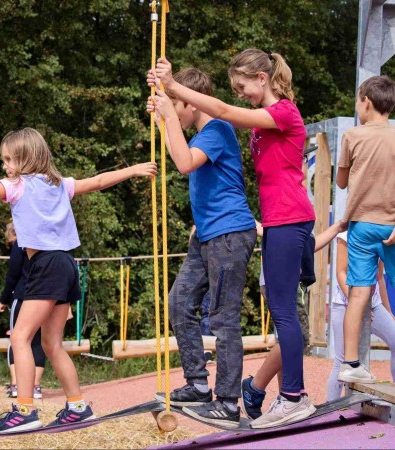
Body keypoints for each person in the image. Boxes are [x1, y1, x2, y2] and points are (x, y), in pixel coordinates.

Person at [0, 127, 156, 433]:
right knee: (52, 344)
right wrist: (133, 169)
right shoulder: (59, 185)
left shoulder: (17, 186)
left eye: (8, 160)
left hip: (45, 264)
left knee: (19, 337)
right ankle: (77, 406)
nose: (5, 166)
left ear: (25, 159)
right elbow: (96, 182)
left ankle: (25, 410)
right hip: (67, 263)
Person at [149, 49, 317, 428]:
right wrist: (165, 111)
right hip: (270, 222)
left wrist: (173, 89)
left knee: (276, 314)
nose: (240, 94)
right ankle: (219, 386)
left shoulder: (281, 112)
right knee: (186, 303)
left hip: (282, 222)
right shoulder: (260, 126)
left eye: (243, 86)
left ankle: (288, 395)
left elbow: (215, 121)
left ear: (262, 77)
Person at [148, 67, 257, 428]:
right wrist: (165, 120)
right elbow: (179, 151)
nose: (177, 112)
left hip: (229, 234)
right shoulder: (200, 133)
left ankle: (227, 402)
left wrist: (167, 119)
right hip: (207, 236)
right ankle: (196, 383)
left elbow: (183, 163)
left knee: (224, 319)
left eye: (178, 106)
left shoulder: (217, 130)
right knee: (179, 302)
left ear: (191, 103)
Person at [335, 75, 395, 386]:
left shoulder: (352, 136)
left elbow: (341, 182)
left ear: (366, 102)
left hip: (361, 225)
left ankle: (351, 362)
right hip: (391, 224)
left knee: (359, 291)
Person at [241, 220, 346, 419]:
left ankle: (287, 396)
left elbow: (310, 245)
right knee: (298, 338)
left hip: (286, 280)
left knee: (286, 338)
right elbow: (263, 229)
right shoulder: (286, 213)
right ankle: (254, 387)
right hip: (285, 279)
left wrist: (337, 227)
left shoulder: (296, 216)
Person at [326, 231, 395, 400]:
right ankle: (330, 405)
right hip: (345, 303)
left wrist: (389, 311)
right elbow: (341, 273)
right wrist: (358, 305)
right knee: (341, 359)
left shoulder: (378, 233)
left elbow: (380, 278)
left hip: (373, 304)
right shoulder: (346, 235)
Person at [0, 222, 45, 399]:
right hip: (43, 297)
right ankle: (35, 386)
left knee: (17, 339)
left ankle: (16, 384)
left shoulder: (20, 244)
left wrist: (3, 300)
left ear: (14, 233)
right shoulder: (44, 243)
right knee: (37, 341)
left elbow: (13, 274)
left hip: (23, 295)